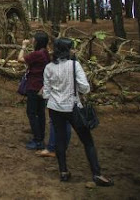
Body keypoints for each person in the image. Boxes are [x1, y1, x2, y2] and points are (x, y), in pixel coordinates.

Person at [43, 38, 113, 186]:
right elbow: (85, 88)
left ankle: (63, 172)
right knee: (87, 141)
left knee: (60, 140)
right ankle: (97, 174)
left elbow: (46, 92)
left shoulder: (49, 67)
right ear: (68, 50)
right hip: (73, 108)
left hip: (55, 108)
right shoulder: (75, 65)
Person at [17, 31, 50, 150]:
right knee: (40, 112)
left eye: (33, 39)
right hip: (42, 87)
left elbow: (20, 59)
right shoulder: (45, 53)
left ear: (37, 41)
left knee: (31, 112)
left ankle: (38, 140)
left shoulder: (37, 54)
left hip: (34, 86)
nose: (32, 41)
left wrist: (23, 46)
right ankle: (40, 135)